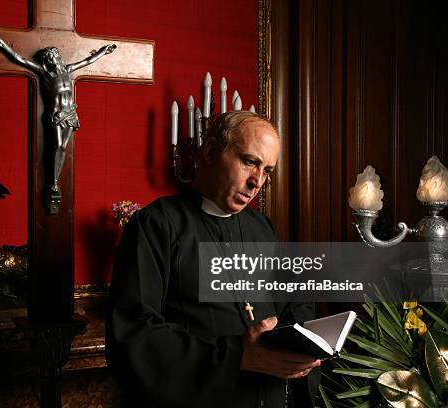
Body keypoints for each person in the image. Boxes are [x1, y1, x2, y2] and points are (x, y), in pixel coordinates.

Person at [106, 111, 320, 407]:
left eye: (267, 170)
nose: (256, 181)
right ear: (209, 152)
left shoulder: (262, 227)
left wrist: (299, 344)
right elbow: (133, 333)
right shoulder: (158, 224)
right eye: (249, 162)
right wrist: (237, 355)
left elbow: (294, 299)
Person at [0, 34, 116, 208]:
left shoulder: (68, 70)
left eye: (57, 56)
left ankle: (55, 179)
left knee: (63, 147)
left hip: (70, 113)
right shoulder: (45, 73)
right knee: (56, 145)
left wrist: (103, 52)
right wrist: (2, 45)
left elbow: (87, 61)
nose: (57, 59)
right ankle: (53, 182)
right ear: (48, 60)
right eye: (54, 57)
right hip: (55, 115)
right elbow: (20, 60)